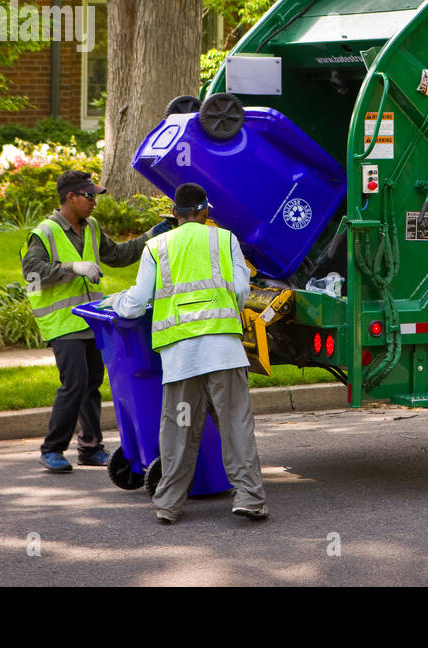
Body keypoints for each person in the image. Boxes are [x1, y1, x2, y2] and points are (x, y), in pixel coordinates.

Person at [103, 182, 267, 524]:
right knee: (235, 424)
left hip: (181, 360)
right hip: (223, 353)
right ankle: (249, 497)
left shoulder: (156, 246)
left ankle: (168, 504)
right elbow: (239, 290)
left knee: (178, 429)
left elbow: (136, 304)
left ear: (174, 214)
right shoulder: (225, 240)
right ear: (206, 211)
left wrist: (116, 301)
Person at [23, 169, 169, 473]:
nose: (94, 202)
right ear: (70, 197)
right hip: (62, 324)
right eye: (89, 196)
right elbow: (32, 274)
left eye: (95, 196)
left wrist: (150, 237)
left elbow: (116, 255)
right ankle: (51, 448)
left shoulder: (91, 227)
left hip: (90, 322)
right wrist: (72, 266)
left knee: (92, 384)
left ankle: (90, 447)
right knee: (74, 383)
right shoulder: (45, 232)